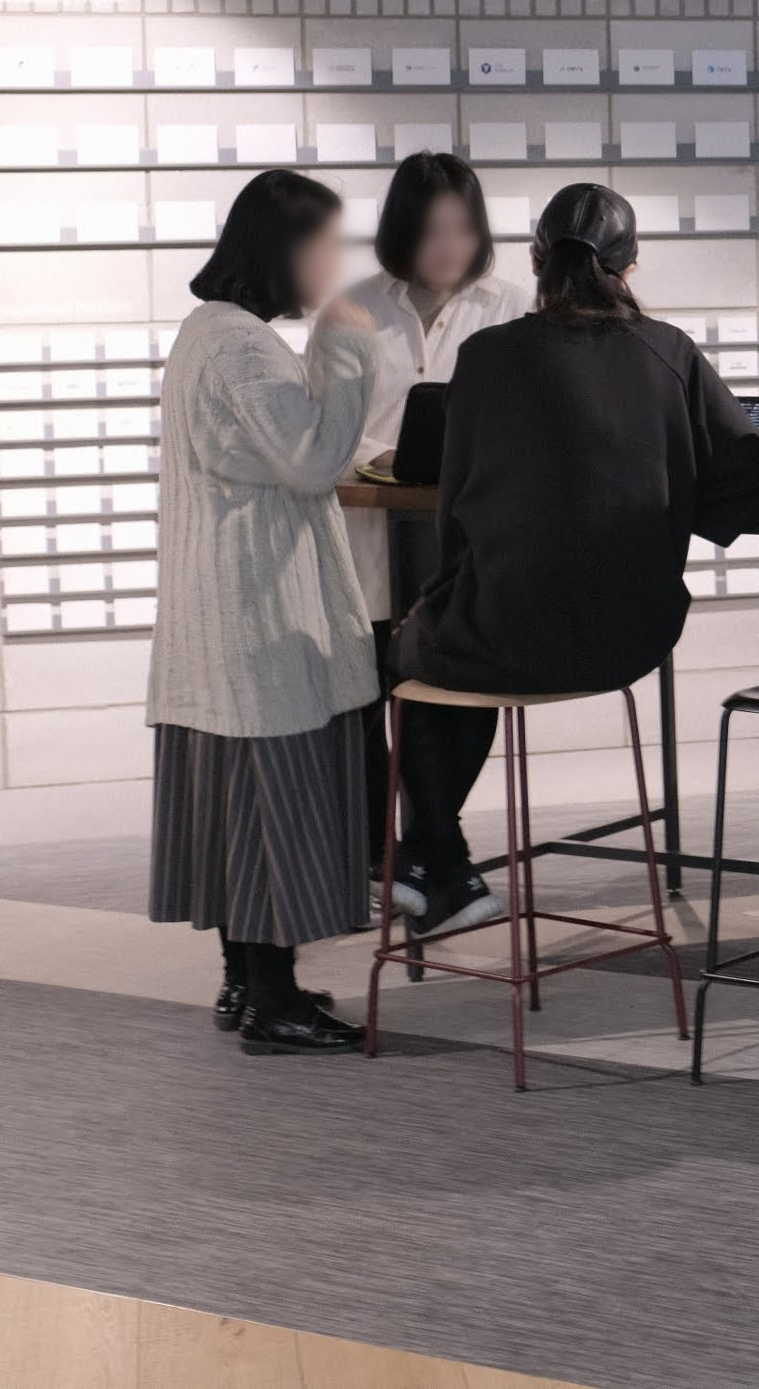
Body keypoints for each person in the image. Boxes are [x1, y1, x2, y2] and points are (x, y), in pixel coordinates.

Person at [146, 168, 379, 1054]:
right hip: (255, 617)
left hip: (225, 615)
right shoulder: (239, 345)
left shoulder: (211, 332)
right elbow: (313, 458)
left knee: (238, 818)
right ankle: (275, 1002)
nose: (332, 268)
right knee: (274, 812)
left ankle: (248, 985)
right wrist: (348, 348)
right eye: (324, 249)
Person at [398, 183, 759, 702]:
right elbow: (749, 471)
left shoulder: (485, 356)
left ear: (536, 262)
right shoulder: (669, 351)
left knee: (408, 642)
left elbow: (455, 505)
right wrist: (678, 496)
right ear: (629, 270)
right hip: (633, 640)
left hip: (496, 637)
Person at [314, 152, 528, 936]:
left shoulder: (512, 308)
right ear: (402, 229)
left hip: (467, 550)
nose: (449, 246)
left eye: (464, 229)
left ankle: (420, 858)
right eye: (433, 229)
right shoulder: (352, 313)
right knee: (367, 702)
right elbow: (326, 432)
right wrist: (393, 458)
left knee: (461, 692)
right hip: (368, 547)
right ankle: (413, 861)